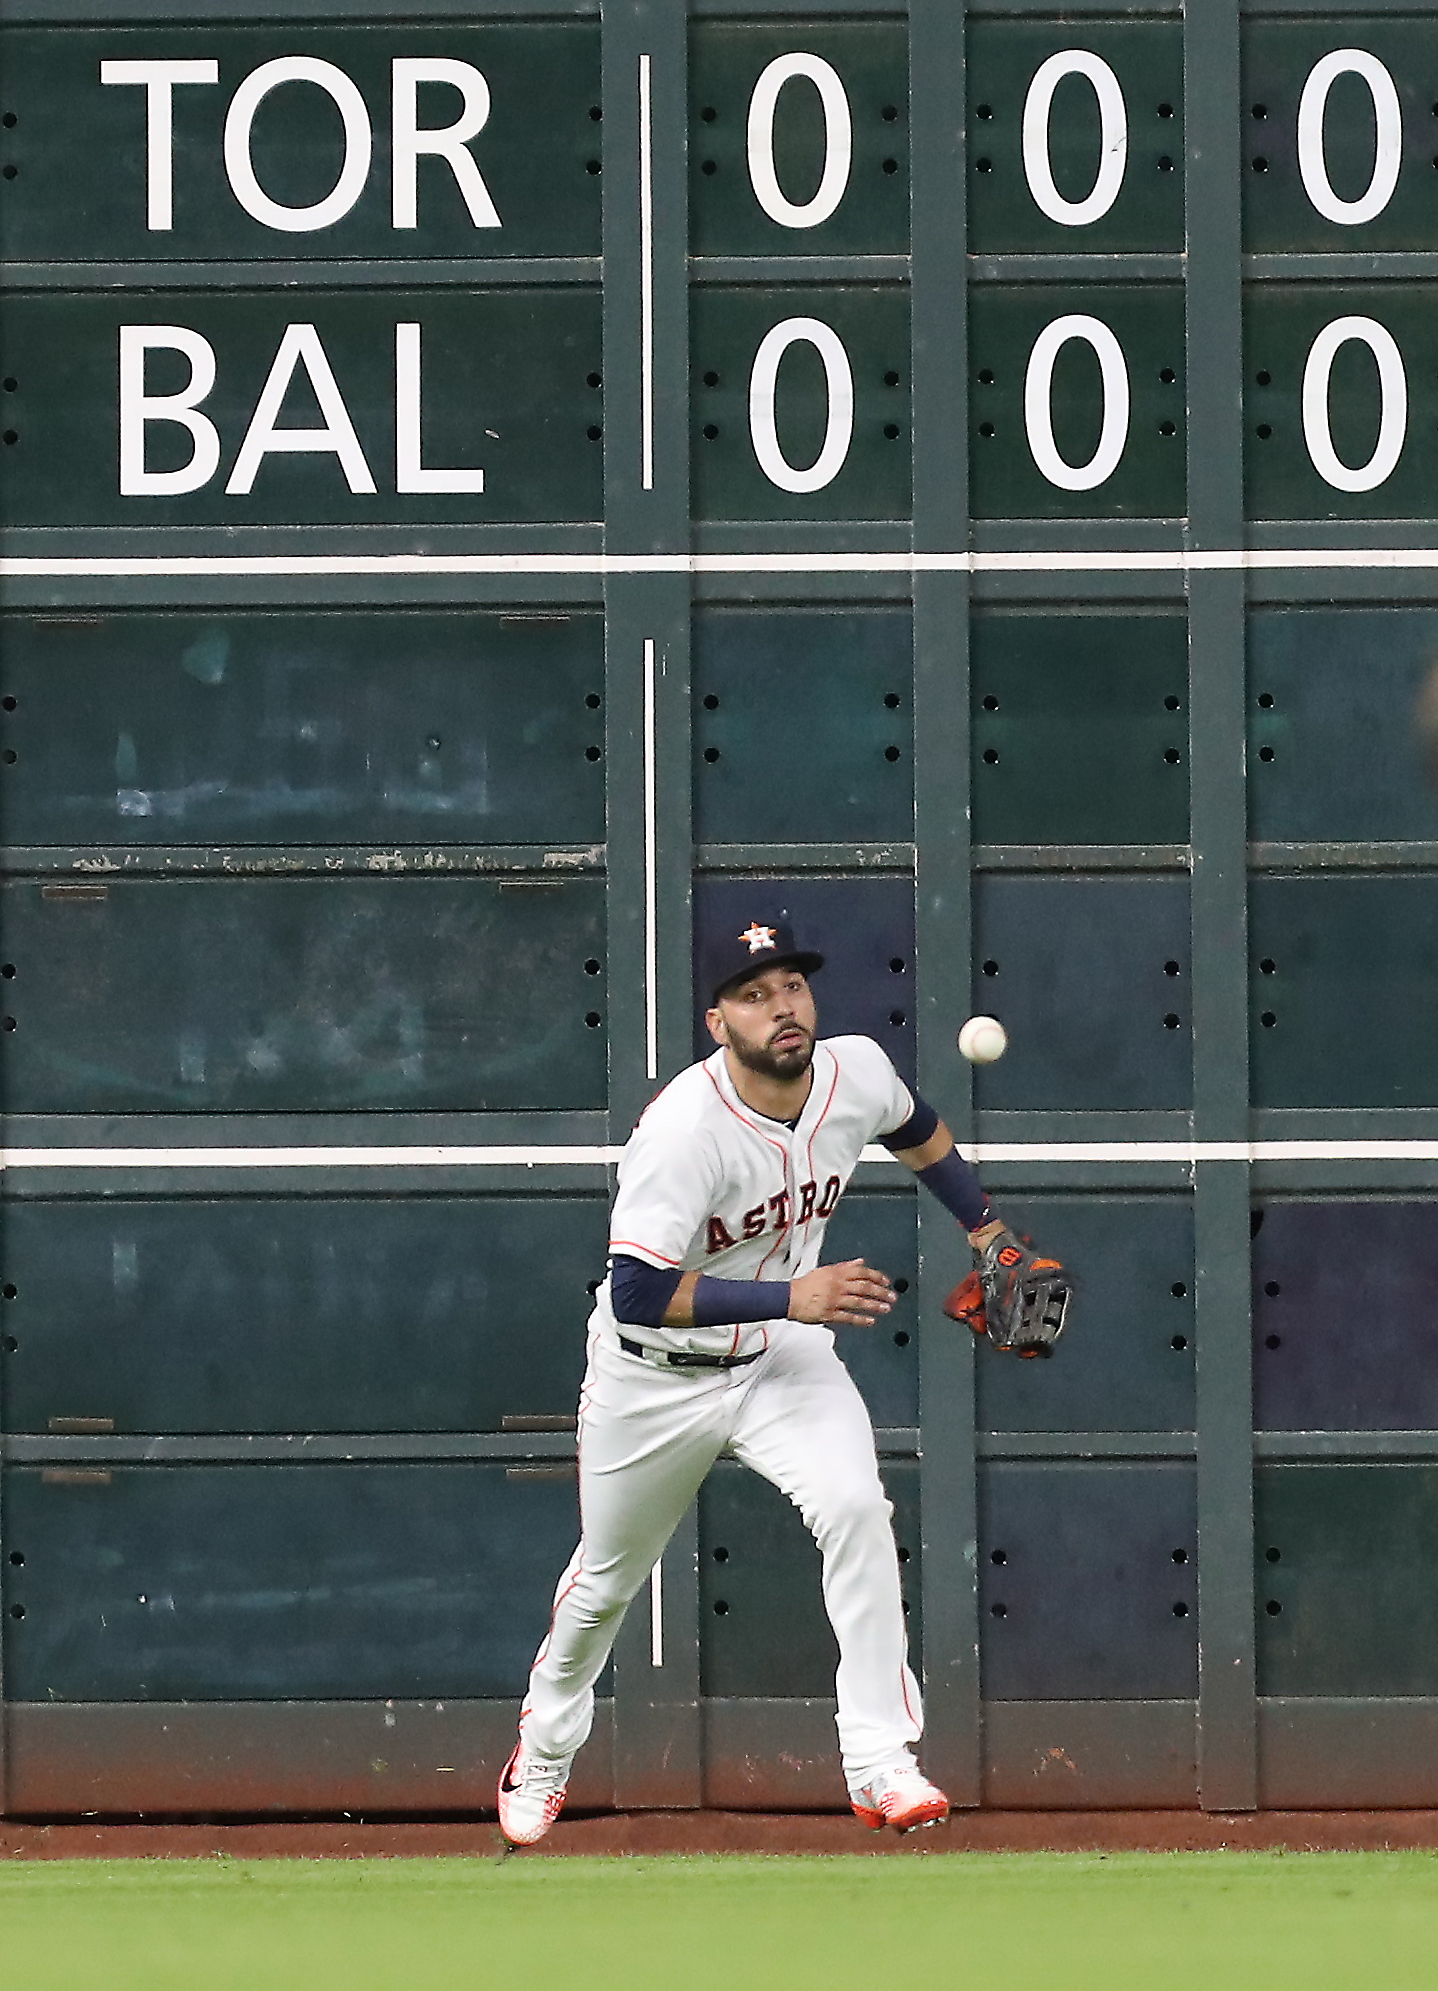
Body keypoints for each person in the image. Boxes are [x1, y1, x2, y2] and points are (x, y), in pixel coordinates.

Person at [497, 917, 1011, 1845]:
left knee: (857, 1508)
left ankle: (882, 1759)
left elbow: (917, 1127)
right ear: (716, 1021)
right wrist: (793, 1293)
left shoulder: (853, 1070)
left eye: (793, 987)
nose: (783, 1007)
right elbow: (640, 1290)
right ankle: (546, 1741)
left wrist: (986, 1231)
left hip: (780, 1355)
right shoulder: (684, 1131)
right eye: (755, 993)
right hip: (654, 1376)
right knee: (607, 1579)